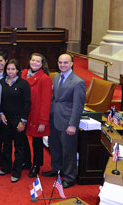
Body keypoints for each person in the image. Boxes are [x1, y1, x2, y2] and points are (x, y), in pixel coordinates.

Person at [42, 54, 86, 189]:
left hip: (67, 121)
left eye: (65, 63)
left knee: (68, 151)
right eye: (60, 62)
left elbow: (78, 106)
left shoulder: (78, 82)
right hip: (54, 118)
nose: (62, 65)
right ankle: (56, 169)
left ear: (72, 64)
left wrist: (73, 124)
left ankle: (70, 177)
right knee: (54, 146)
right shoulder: (56, 77)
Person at [0, 59, 31, 183]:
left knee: (19, 146)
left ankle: (16, 171)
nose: (10, 71)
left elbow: (27, 103)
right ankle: (6, 167)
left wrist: (23, 121)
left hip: (18, 120)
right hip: (5, 118)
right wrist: (1, 113)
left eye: (13, 69)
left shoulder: (24, 84)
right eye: (8, 69)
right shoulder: (1, 82)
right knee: (6, 144)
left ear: (18, 70)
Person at [21, 53, 52, 178]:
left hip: (36, 114)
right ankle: (27, 161)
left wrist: (43, 121)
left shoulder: (45, 79)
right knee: (22, 138)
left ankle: (36, 165)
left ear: (42, 64)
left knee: (37, 142)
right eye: (33, 60)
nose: (34, 63)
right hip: (24, 112)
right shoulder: (23, 74)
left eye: (38, 61)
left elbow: (46, 102)